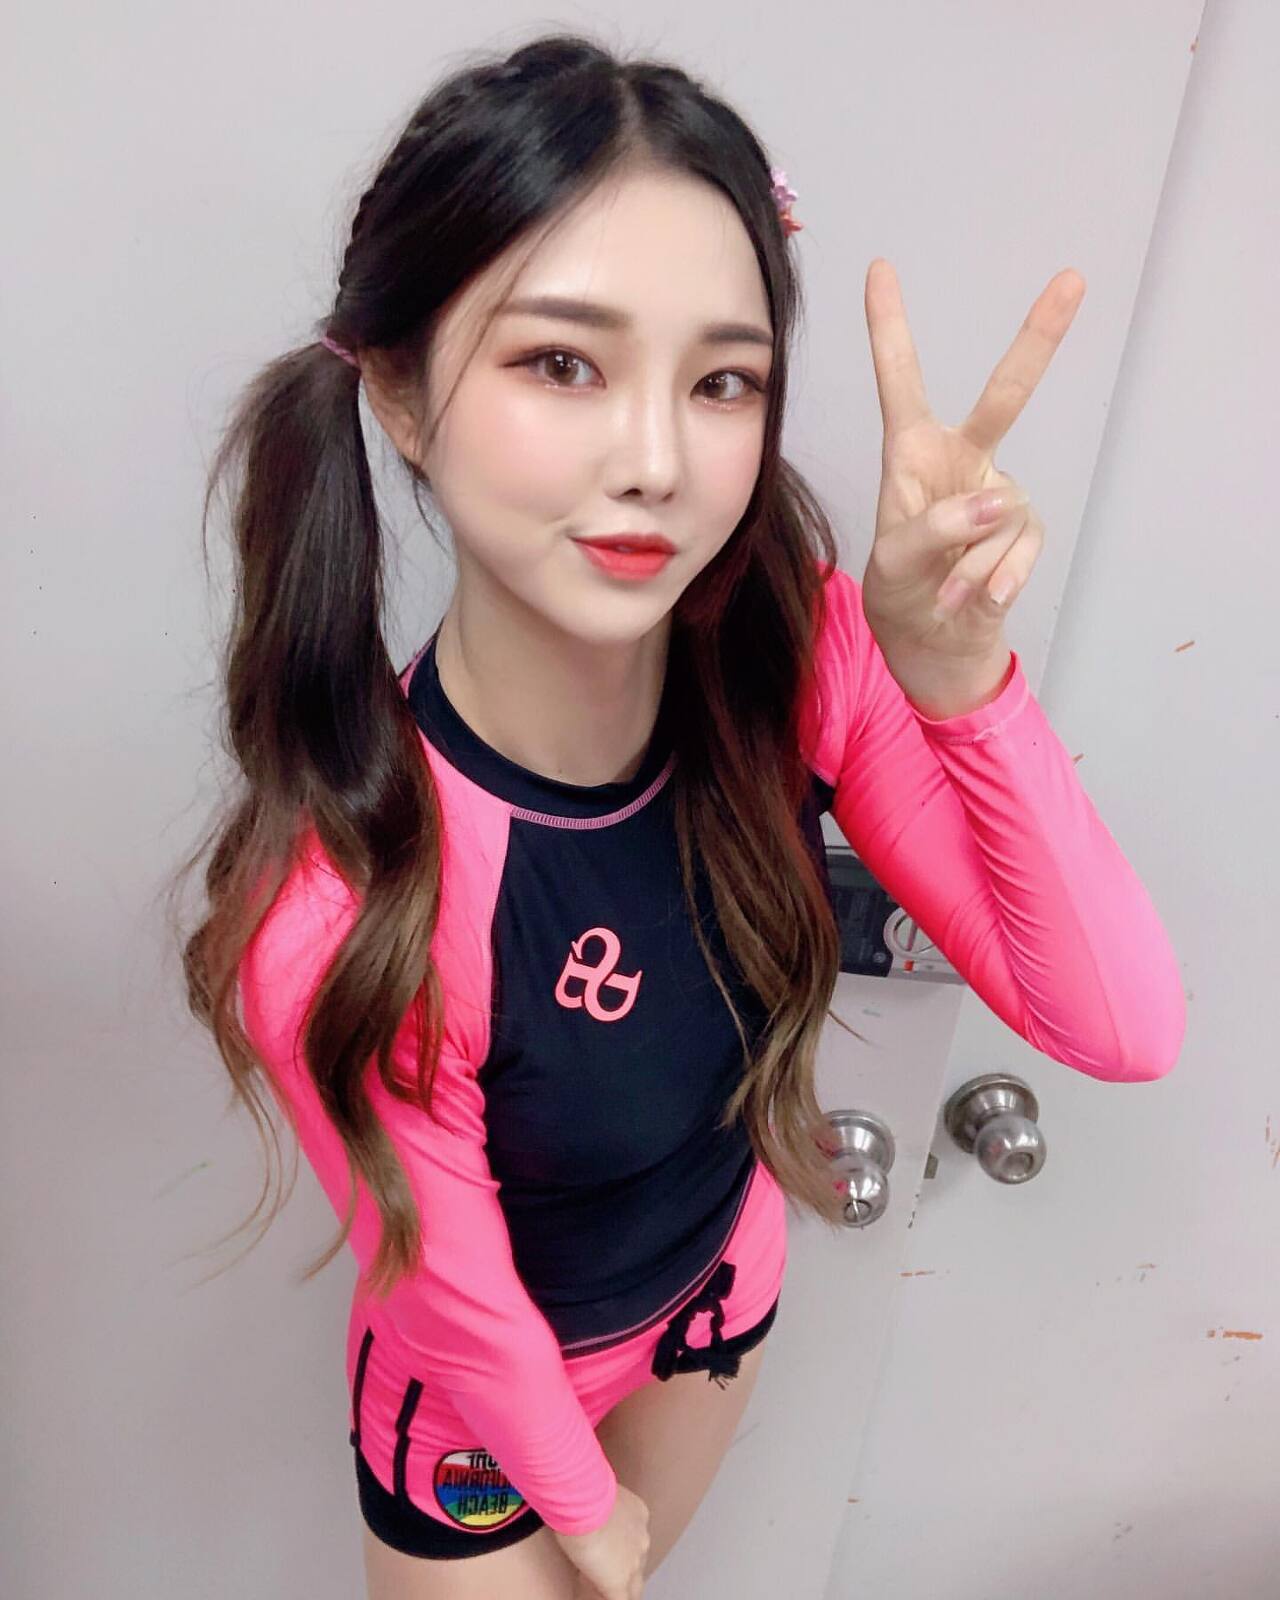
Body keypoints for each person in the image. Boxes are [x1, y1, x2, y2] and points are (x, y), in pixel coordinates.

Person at [175, 29, 1185, 1600]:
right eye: (561, 363)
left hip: (715, 1310)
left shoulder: (800, 657)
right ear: (402, 392)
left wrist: (959, 683)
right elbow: (449, 1286)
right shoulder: (348, 894)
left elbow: (1117, 1024)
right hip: (485, 1409)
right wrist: (583, 1510)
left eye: (722, 382)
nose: (656, 461)